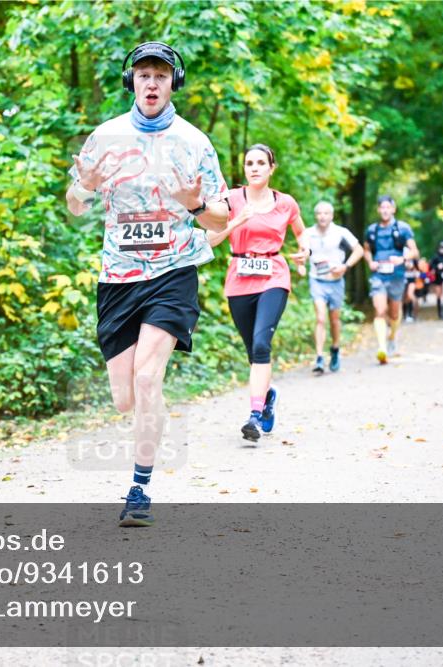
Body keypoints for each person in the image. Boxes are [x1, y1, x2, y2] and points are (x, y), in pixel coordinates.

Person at [67, 41, 229, 527]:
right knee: (125, 397)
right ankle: (151, 419)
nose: (152, 83)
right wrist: (86, 187)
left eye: (161, 75)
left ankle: (139, 488)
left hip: (172, 272)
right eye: (143, 75)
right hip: (118, 276)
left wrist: (195, 205)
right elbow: (75, 205)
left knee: (146, 377)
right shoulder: (105, 136)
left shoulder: (195, 142)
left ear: (173, 83)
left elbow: (222, 216)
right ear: (131, 82)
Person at [206, 144, 307, 441]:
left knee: (262, 343)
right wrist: (236, 220)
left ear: (271, 168)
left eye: (261, 162)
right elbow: (211, 240)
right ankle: (267, 395)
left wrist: (306, 251)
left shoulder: (286, 203)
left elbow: (302, 232)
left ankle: (254, 415)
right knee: (253, 352)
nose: (254, 167)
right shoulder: (231, 200)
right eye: (249, 162)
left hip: (274, 276)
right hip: (239, 278)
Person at [301, 201, 363, 375]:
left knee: (334, 320)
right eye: (319, 213)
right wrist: (300, 264)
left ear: (332, 216)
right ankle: (319, 357)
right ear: (315, 216)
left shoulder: (340, 233)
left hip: (336, 281)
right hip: (317, 280)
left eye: (326, 213)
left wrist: (345, 266)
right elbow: (302, 253)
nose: (322, 216)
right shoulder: (308, 233)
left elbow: (358, 250)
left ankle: (335, 349)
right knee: (320, 318)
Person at [363, 195, 419, 364]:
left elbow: (414, 251)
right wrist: (370, 261)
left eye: (388, 207)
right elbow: (366, 249)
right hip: (378, 275)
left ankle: (392, 337)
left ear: (393, 209)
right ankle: (382, 348)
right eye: (382, 207)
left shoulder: (403, 228)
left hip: (397, 274)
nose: (385, 210)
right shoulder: (372, 230)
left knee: (394, 312)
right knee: (380, 310)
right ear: (378, 210)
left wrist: (402, 259)